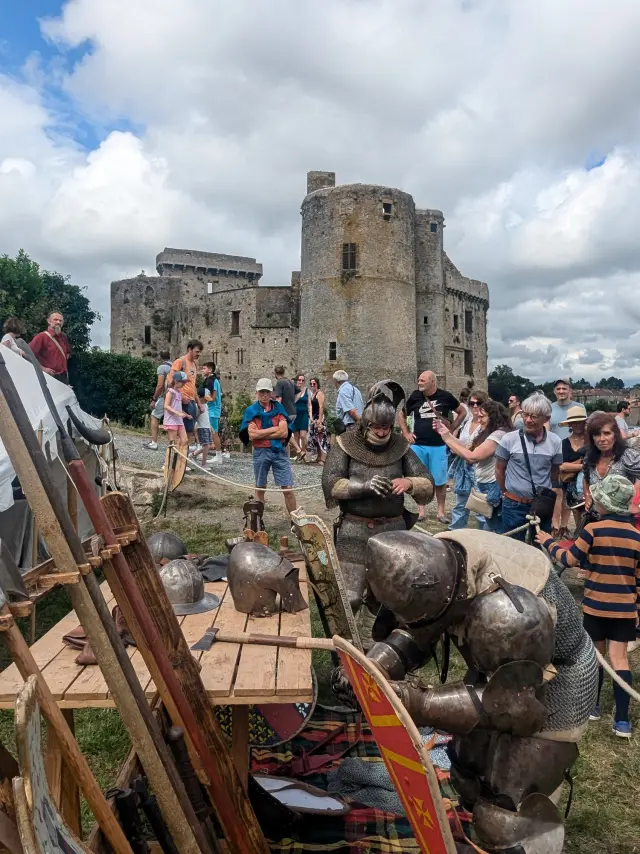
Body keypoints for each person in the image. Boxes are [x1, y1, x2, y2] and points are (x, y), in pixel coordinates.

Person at [333, 527, 597, 851]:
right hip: (502, 669)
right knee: (467, 771)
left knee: (505, 815)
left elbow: (516, 706)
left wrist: (419, 702)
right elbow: (415, 631)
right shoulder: (437, 563)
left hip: (554, 684)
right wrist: (367, 672)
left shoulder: (506, 609)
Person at [322, 381, 434, 643]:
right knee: (349, 598)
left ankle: (379, 649)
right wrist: (364, 486)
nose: (382, 433)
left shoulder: (400, 447)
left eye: (386, 427)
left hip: (393, 531)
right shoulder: (345, 444)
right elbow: (331, 485)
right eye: (377, 427)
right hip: (354, 530)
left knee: (389, 599)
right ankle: (346, 652)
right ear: (366, 425)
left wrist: (409, 483)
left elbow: (427, 486)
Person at [536, 475, 640, 738]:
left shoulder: (593, 530)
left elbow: (570, 559)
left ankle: (592, 706)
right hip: (625, 610)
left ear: (604, 503)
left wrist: (548, 542)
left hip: (595, 607)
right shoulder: (637, 537)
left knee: (597, 657)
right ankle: (622, 721)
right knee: (620, 659)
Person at [398, 370, 467, 525]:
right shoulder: (415, 396)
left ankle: (440, 511)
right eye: (419, 380)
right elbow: (402, 415)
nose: (419, 383)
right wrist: (406, 432)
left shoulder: (445, 396)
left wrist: (452, 428)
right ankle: (421, 511)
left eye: (423, 380)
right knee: (420, 479)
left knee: (440, 480)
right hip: (418, 445)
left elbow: (462, 411)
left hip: (438, 445)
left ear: (432, 382)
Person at [435, 398, 512, 533]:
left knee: (494, 529)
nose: (479, 419)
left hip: (493, 486)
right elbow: (466, 447)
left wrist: (447, 439)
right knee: (489, 525)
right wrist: (445, 433)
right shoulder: (484, 430)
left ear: (493, 417)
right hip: (484, 483)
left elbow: (472, 457)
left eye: (483, 416)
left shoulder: (499, 434)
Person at [495, 392, 562, 539]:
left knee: (540, 549)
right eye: (525, 415)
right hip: (514, 504)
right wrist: (505, 492)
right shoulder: (508, 439)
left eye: (534, 417)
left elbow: (554, 474)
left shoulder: (555, 442)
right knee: (513, 550)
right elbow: (499, 469)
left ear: (547, 418)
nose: (528, 420)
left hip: (542, 505)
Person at [239, 378, 297, 515]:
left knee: (288, 489)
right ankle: (258, 522)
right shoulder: (251, 410)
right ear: (257, 393)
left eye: (266, 392)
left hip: (279, 452)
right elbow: (252, 435)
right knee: (260, 487)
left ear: (271, 393)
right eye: (261, 392)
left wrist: (262, 433)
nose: (264, 395)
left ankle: (295, 522)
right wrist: (274, 430)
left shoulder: (279, 408)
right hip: (261, 452)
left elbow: (284, 432)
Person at [444, 390, 488, 530]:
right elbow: (462, 444)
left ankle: (484, 535)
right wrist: (450, 441)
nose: (474, 407)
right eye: (471, 403)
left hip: (480, 469)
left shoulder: (487, 424)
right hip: (464, 468)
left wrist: (458, 446)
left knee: (481, 506)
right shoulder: (467, 422)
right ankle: (455, 533)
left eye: (478, 403)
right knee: (460, 504)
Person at [549, 380, 586, 536]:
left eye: (565, 388)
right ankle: (558, 526)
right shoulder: (550, 408)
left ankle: (572, 529)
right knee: (559, 494)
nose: (562, 391)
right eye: (559, 388)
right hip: (559, 449)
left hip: (577, 465)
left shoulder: (579, 407)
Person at [582, 412, 640, 510]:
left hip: (622, 518)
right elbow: (586, 478)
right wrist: (587, 495)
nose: (602, 439)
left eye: (607, 433)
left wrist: (635, 502)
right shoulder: (589, 457)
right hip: (595, 517)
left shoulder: (628, 456)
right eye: (597, 434)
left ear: (615, 435)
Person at [557, 405, 588, 534]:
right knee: (576, 514)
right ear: (570, 424)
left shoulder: (592, 440)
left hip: (588, 484)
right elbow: (561, 466)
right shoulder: (563, 442)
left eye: (579, 421)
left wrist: (571, 466)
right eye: (574, 422)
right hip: (569, 486)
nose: (577, 425)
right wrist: (583, 466)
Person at [166, 340, 202, 438]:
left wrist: (198, 403)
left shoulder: (194, 364)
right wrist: (180, 396)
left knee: (189, 431)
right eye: (197, 351)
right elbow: (170, 380)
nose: (198, 354)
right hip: (181, 401)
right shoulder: (180, 361)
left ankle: (184, 452)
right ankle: (177, 453)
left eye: (199, 352)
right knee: (180, 432)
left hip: (191, 400)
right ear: (189, 350)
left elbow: (193, 385)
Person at [29, 311, 71, 383]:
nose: (58, 322)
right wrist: (43, 369)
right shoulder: (41, 337)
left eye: (60, 320)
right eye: (55, 320)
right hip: (48, 377)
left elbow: (68, 353)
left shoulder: (63, 338)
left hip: (63, 378)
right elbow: (27, 355)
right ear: (49, 321)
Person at [274, 365, 303, 457]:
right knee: (284, 434)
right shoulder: (291, 382)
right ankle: (285, 455)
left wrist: (276, 412)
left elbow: (278, 399)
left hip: (285, 412)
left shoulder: (279, 383)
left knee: (285, 432)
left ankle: (298, 450)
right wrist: (294, 401)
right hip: (293, 412)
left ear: (275, 374)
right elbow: (299, 392)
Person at [146, 350, 172, 450]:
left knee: (154, 416)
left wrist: (154, 399)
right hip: (175, 396)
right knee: (172, 419)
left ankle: (154, 442)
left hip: (164, 396)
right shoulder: (175, 366)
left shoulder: (162, 368)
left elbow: (160, 385)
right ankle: (173, 445)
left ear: (160, 358)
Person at [160, 371, 191, 446]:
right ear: (176, 381)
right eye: (182, 382)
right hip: (171, 420)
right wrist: (178, 413)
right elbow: (166, 406)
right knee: (173, 443)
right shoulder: (170, 392)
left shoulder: (179, 393)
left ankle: (178, 456)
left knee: (185, 440)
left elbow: (178, 407)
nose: (184, 384)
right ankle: (171, 457)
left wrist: (185, 414)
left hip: (179, 420)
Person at [201, 362, 222, 463]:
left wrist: (201, 398)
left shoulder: (212, 381)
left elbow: (213, 398)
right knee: (205, 430)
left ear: (210, 370)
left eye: (204, 368)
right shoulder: (210, 380)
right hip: (210, 409)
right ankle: (202, 450)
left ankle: (218, 456)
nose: (202, 370)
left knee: (214, 433)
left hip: (213, 410)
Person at [307, 377, 329, 464]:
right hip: (314, 418)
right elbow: (310, 407)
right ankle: (319, 457)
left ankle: (323, 459)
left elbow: (321, 407)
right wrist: (312, 418)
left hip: (319, 418)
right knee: (316, 439)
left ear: (317, 384)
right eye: (311, 384)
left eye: (314, 384)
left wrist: (320, 420)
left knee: (322, 438)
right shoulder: (313, 394)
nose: (312, 385)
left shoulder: (319, 393)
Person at [190, 387, 214, 467]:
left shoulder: (206, 405)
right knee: (206, 445)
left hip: (207, 427)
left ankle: (194, 454)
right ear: (200, 396)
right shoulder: (197, 406)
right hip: (201, 427)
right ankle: (204, 464)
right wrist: (200, 412)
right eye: (205, 398)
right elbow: (195, 418)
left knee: (210, 446)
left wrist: (211, 427)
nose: (207, 400)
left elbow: (207, 417)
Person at [292, 373, 310, 459]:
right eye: (299, 380)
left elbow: (309, 404)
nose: (301, 382)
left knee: (303, 435)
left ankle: (304, 452)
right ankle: (299, 454)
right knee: (296, 436)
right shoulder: (293, 390)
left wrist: (310, 415)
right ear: (297, 380)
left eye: (303, 380)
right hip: (295, 415)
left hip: (304, 414)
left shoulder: (307, 390)